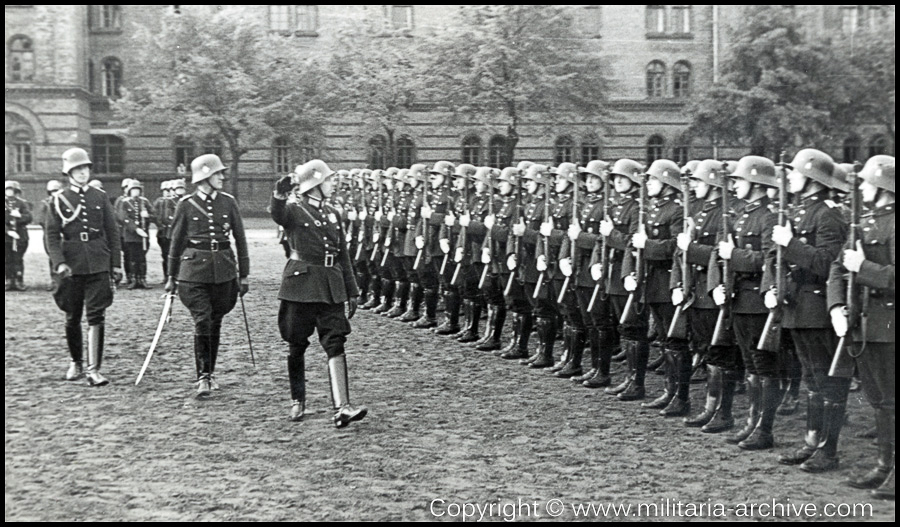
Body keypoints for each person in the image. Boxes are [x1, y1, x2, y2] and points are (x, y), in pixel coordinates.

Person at [763, 149, 849, 473]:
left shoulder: (828, 215)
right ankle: (813, 441)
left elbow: (828, 264)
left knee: (827, 381)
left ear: (812, 180)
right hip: (798, 305)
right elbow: (778, 256)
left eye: (796, 173)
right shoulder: (801, 211)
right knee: (812, 380)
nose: (790, 179)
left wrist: (790, 244)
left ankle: (829, 450)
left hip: (817, 305)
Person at [271, 160, 367, 427]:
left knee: (335, 340)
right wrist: (279, 194)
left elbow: (343, 255)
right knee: (296, 343)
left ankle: (342, 407)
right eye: (327, 180)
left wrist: (351, 290)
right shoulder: (293, 210)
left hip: (330, 284)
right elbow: (277, 214)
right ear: (314, 184)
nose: (331, 183)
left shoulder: (332, 212)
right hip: (300, 285)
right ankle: (297, 400)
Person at [828, 155, 894, 499]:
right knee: (880, 401)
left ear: (883, 187)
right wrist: (837, 305)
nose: (863, 189)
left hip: (890, 325)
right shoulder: (864, 222)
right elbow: (838, 268)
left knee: (892, 400)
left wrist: (864, 266)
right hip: (865, 325)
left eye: (868, 183)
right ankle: (885, 465)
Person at [165, 154, 249, 396]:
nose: (222, 177)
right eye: (217, 173)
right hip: (193, 273)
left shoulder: (229, 202)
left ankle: (210, 372)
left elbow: (240, 240)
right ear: (203, 176)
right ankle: (203, 376)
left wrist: (244, 275)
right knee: (202, 318)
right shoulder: (186, 204)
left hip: (223, 271)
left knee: (216, 320)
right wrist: (171, 277)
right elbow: (176, 243)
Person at [44, 148, 122, 385]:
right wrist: (59, 263)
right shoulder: (58, 200)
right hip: (71, 264)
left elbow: (113, 231)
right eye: (77, 169)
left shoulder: (100, 197)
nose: (82, 173)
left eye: (85, 168)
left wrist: (116, 265)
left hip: (98, 261)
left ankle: (93, 370)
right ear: (68, 172)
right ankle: (76, 361)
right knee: (72, 315)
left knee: (97, 315)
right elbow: (52, 235)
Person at [117, 179, 156, 289]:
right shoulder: (125, 202)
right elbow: (122, 217)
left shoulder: (144, 202)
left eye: (137, 190)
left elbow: (154, 215)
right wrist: (135, 228)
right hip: (131, 235)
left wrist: (147, 215)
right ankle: (133, 279)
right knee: (132, 258)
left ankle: (142, 279)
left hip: (143, 236)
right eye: (133, 190)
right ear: (129, 191)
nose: (136, 192)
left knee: (142, 258)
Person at [5, 180, 33, 291]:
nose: (9, 192)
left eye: (11, 189)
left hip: (20, 237)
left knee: (18, 259)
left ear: (16, 191)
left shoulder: (21, 203)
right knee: (7, 259)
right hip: (6, 238)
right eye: (7, 189)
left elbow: (29, 217)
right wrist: (7, 231)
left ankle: (18, 280)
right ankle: (8, 280)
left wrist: (20, 216)